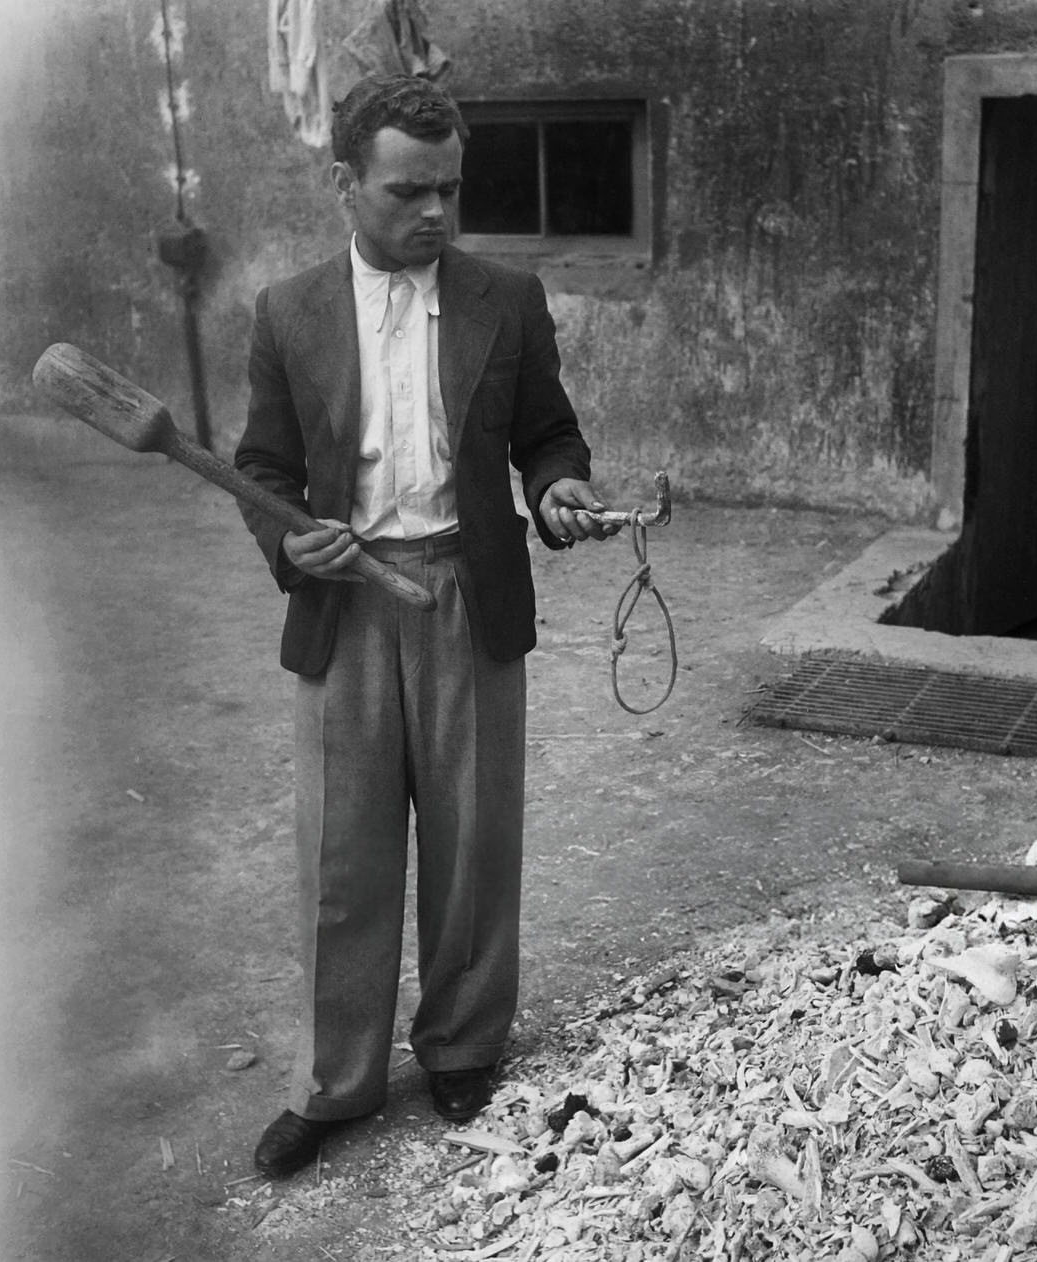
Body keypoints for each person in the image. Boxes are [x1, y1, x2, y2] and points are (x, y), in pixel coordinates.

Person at [233, 72, 616, 1179]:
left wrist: (557, 490)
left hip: (467, 589)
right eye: (409, 191)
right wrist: (286, 537)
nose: (436, 213)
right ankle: (333, 1080)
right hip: (344, 600)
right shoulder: (287, 310)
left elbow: (549, 435)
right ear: (346, 183)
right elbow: (262, 466)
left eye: (449, 189)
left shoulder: (507, 296)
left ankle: (461, 1043)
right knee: (339, 856)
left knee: (472, 843)